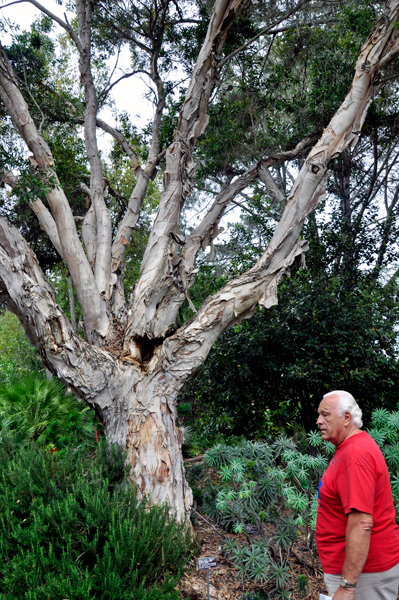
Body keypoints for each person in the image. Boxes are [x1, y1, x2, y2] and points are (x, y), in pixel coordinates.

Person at [315, 390, 399, 600]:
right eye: (319, 415)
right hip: (359, 571)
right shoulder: (348, 448)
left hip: (366, 576)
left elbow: (362, 523)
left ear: (346, 418)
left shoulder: (355, 455)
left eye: (325, 415)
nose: (318, 421)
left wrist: (347, 586)